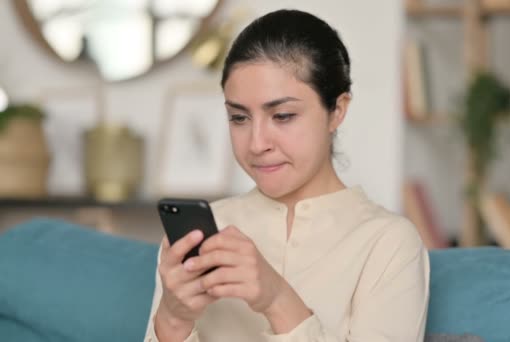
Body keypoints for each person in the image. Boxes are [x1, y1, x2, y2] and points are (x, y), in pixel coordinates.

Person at [144, 9, 429, 342]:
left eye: (282, 116)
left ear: (337, 110)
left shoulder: (388, 243)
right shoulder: (206, 233)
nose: (256, 143)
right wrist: (173, 318)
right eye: (239, 118)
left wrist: (277, 299)